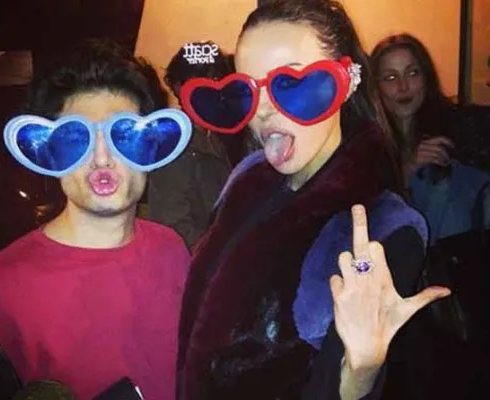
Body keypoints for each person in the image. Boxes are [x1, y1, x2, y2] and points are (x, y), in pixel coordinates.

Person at [176, 1, 450, 399]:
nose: (263, 110)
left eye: (292, 84)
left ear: (347, 81)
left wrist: (360, 371)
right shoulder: (245, 180)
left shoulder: (384, 229)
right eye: (247, 89)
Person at [0, 40, 191, 400]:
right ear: (50, 153)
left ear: (151, 147)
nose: (102, 158)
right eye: (76, 139)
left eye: (124, 136)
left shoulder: (172, 250)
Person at [371, 33, 490, 243]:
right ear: (375, 86)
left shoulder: (459, 128)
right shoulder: (364, 144)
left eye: (412, 73)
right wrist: (405, 171)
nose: (403, 86)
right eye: (390, 77)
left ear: (426, 77)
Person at [147, 42, 235, 248]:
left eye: (216, 79)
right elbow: (172, 228)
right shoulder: (174, 144)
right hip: (200, 261)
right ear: (179, 87)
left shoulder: (221, 135)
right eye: (200, 80)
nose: (211, 88)